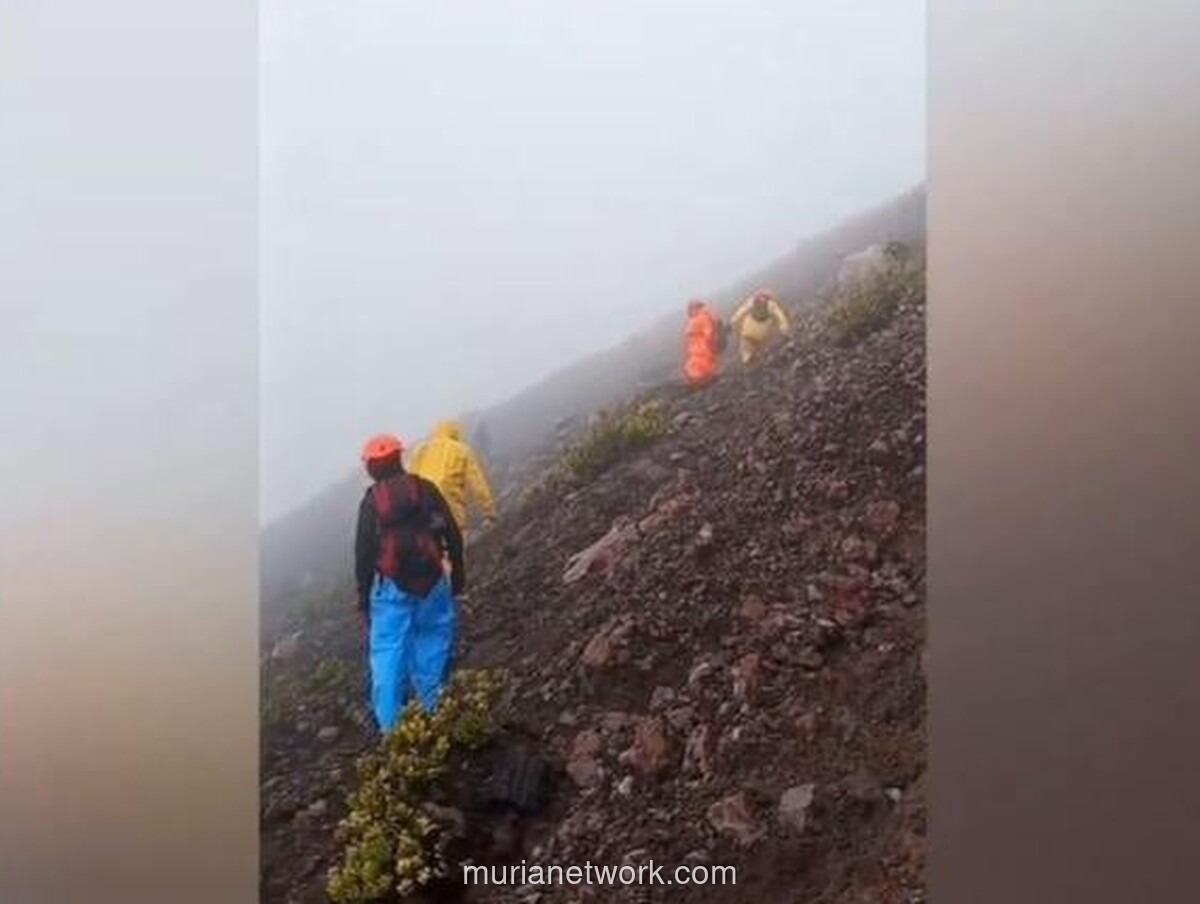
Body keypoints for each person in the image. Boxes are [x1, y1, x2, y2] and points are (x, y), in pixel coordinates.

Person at [354, 433, 466, 731]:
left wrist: (363, 599)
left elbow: (363, 555)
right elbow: (452, 532)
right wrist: (458, 574)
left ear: (371, 466)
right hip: (432, 579)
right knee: (433, 641)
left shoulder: (371, 503)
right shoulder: (425, 488)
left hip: (390, 586)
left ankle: (393, 731)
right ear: (399, 458)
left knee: (388, 653)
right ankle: (435, 713)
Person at [408, 420, 498, 535]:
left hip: (425, 507)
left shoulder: (421, 449)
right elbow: (477, 483)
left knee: (434, 539)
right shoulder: (461, 450)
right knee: (457, 539)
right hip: (450, 507)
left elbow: (410, 479)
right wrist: (489, 512)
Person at [730, 288, 791, 366]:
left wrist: (732, 322)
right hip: (761, 331)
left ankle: (747, 359)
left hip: (748, 329)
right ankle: (753, 359)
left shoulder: (752, 302)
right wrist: (784, 330)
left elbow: (741, 311)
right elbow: (780, 317)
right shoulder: (771, 306)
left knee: (746, 346)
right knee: (757, 346)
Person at [683, 299, 722, 387]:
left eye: (691, 308)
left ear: (696, 308)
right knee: (698, 365)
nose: (689, 311)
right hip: (698, 347)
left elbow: (708, 332)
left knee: (698, 365)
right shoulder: (699, 317)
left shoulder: (702, 317)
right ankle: (704, 380)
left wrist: (709, 344)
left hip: (701, 347)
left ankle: (702, 381)